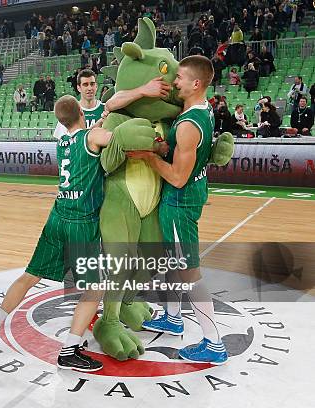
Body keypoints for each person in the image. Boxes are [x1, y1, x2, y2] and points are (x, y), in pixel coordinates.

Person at [0, 94, 114, 372]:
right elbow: (114, 139)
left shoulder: (62, 142)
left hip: (57, 216)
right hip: (80, 222)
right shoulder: (93, 138)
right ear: (83, 115)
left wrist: (100, 121)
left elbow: (88, 134)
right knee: (95, 287)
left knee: (30, 275)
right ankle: (70, 350)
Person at [130, 55, 228, 364]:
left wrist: (147, 157)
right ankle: (172, 318)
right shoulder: (202, 110)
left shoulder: (188, 125)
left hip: (180, 198)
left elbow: (176, 176)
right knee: (174, 261)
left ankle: (214, 344)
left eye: (180, 78)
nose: (175, 82)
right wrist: (163, 148)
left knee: (189, 272)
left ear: (196, 83)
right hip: (190, 191)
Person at [54, 69, 106, 139]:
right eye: (85, 84)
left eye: (92, 84)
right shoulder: (69, 110)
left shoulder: (106, 110)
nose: (90, 88)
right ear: (78, 88)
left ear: (96, 86)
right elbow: (61, 141)